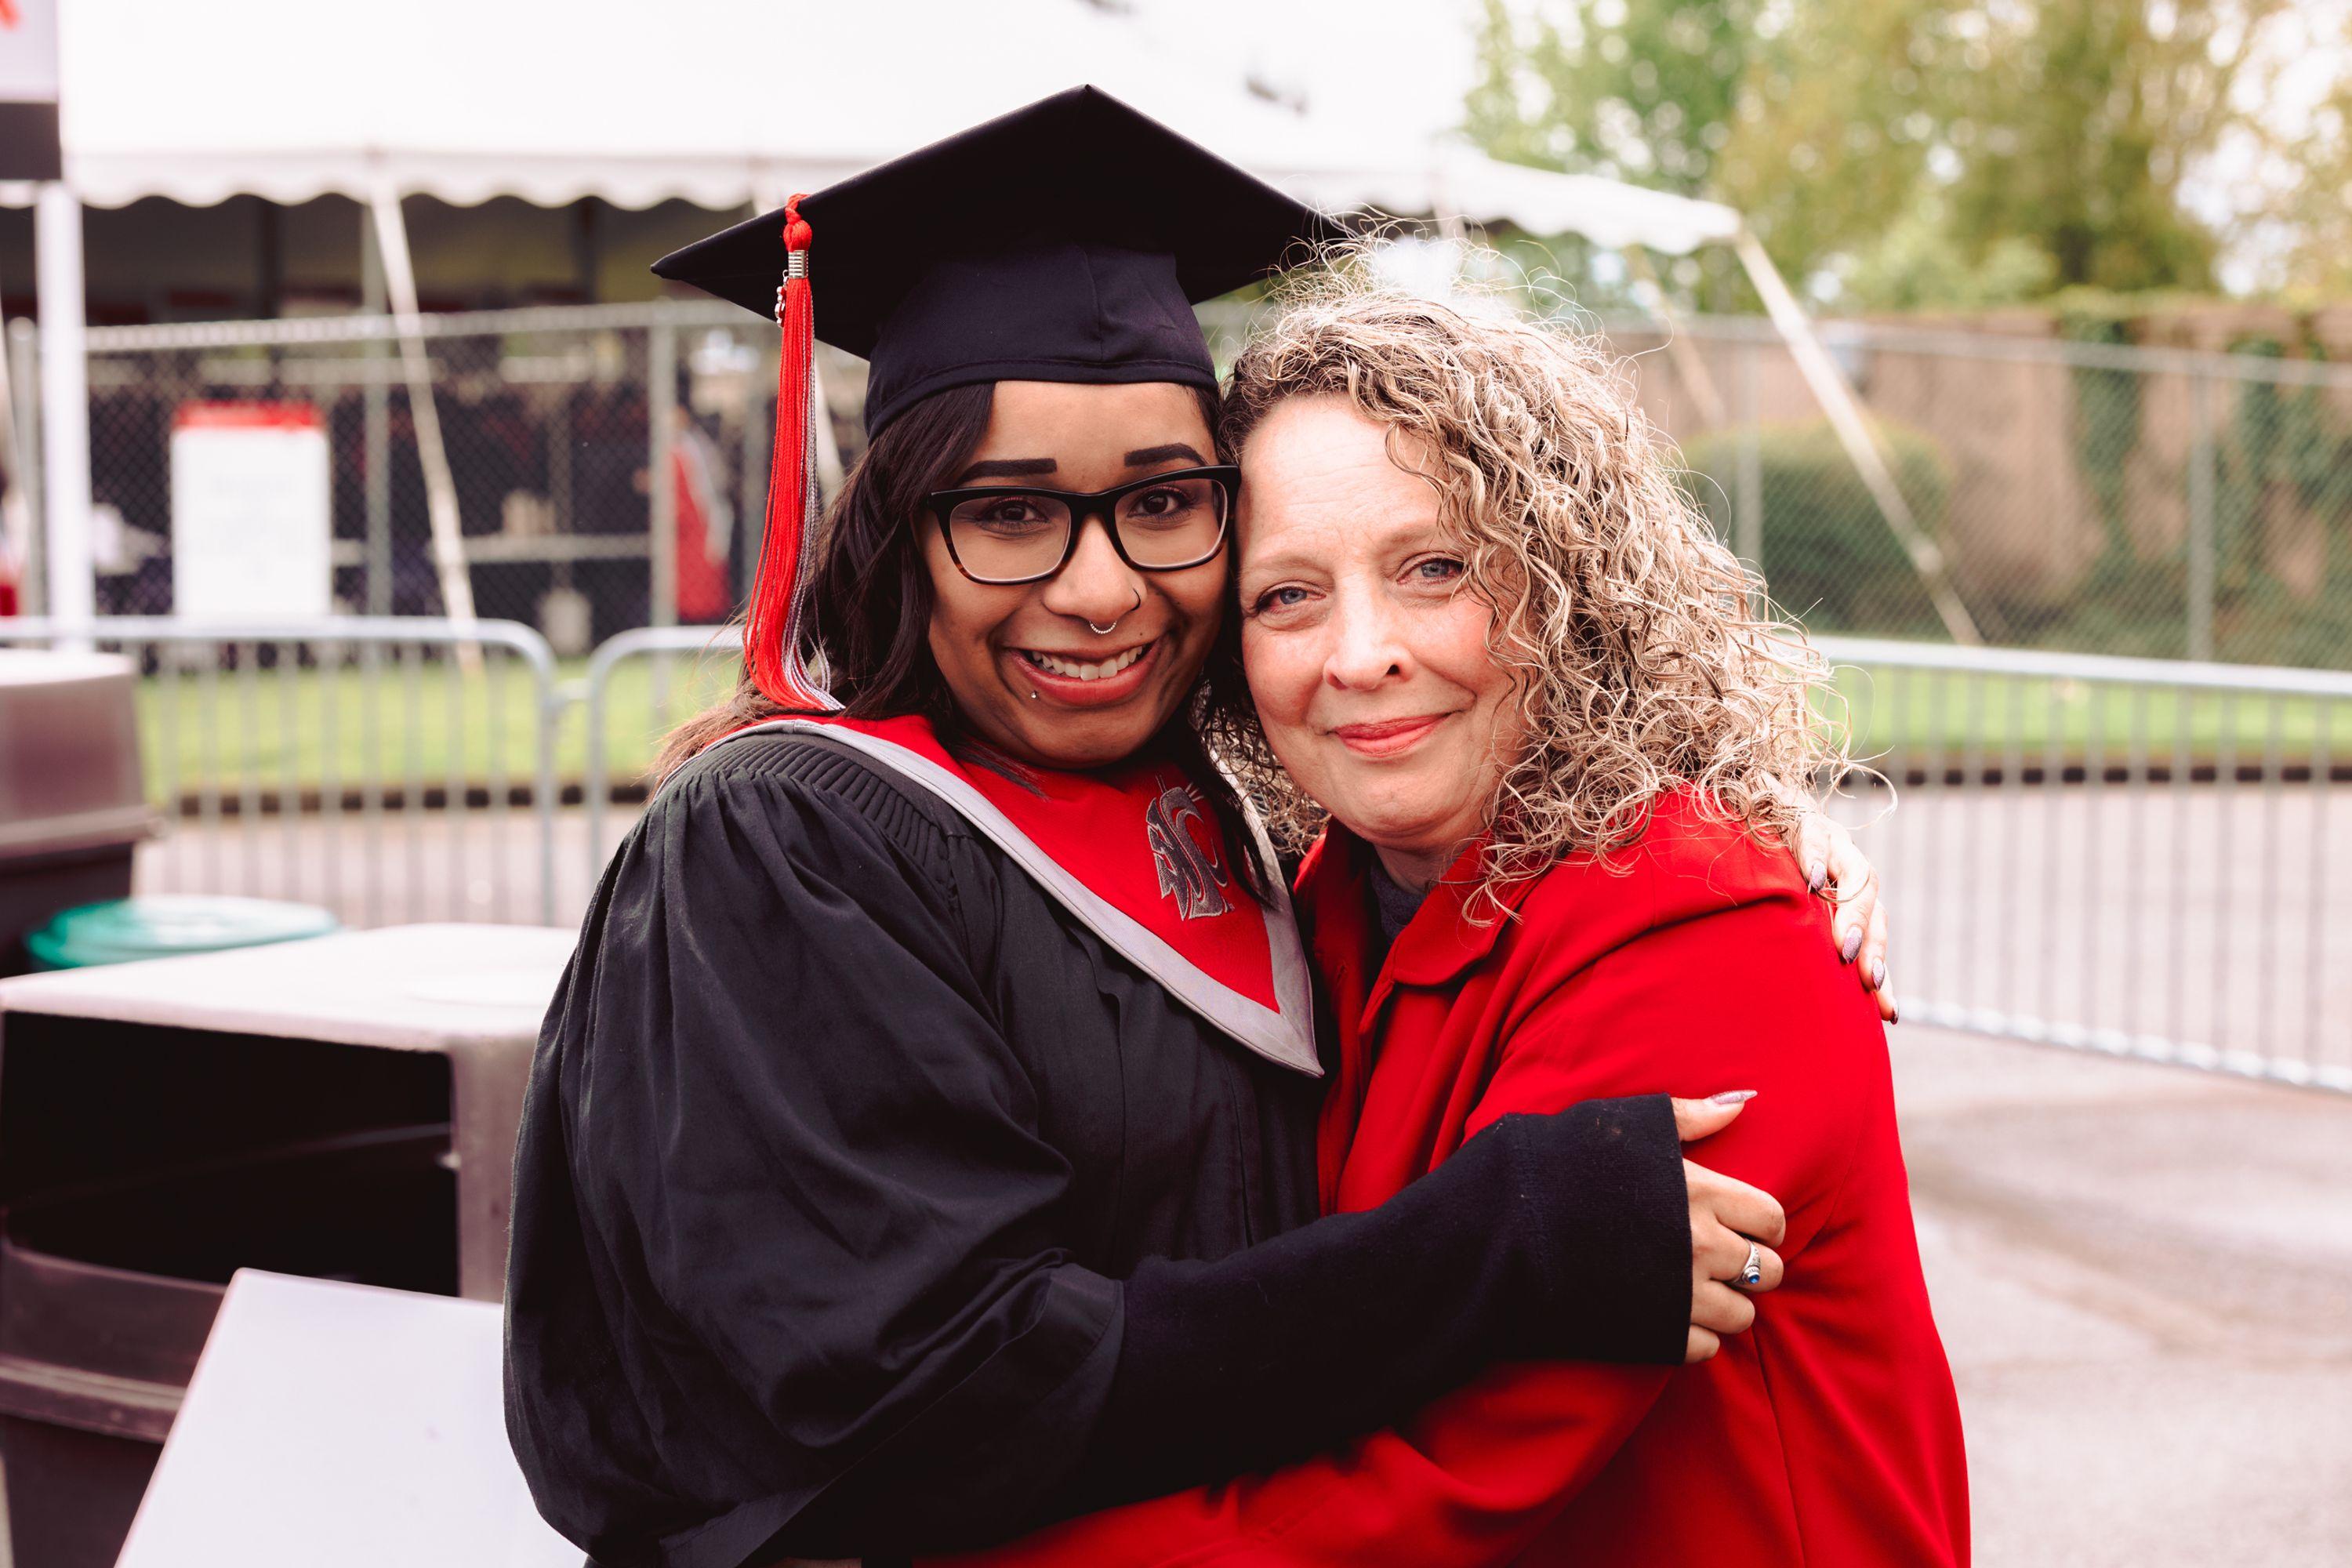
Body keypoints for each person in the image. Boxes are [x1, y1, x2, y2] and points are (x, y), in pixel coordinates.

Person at [503, 89, 1891, 1568]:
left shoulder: (1251, 846)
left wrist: (1731, 815)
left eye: (1165, 503)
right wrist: (1503, 1239)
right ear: (897, 533)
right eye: (1010, 513)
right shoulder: (787, 844)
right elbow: (929, 1401)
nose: (1102, 591)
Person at [933, 274, 1966, 1568]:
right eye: (1287, 596)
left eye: (1435, 569)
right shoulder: (1320, 912)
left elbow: (1433, 1486)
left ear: (1567, 585)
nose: (1360, 654)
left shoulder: (1695, 926)